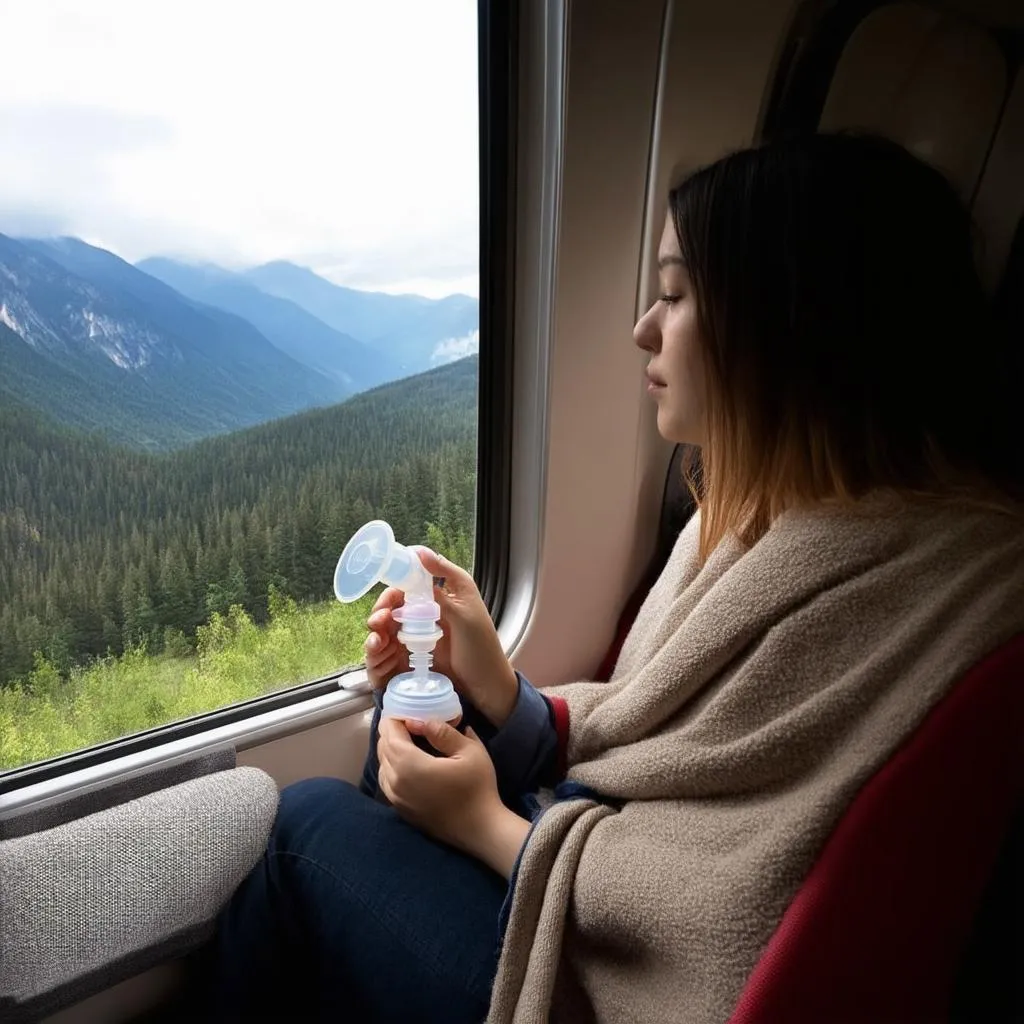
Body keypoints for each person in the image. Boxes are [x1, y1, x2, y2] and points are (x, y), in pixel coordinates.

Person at [198, 133, 1024, 1023]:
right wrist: (498, 689)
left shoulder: (944, 590)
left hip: (623, 986)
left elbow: (731, 913)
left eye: (673, 294)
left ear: (790, 325)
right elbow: (673, 742)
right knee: (411, 728)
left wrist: (485, 823)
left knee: (305, 831)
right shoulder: (750, 510)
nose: (641, 328)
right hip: (595, 865)